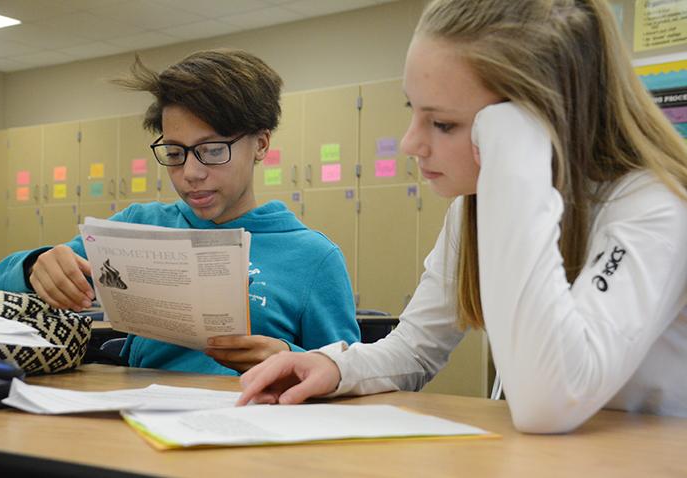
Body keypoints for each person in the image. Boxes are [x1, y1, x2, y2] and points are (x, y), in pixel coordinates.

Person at [237, 0, 687, 433]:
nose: (411, 143)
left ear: (532, 122)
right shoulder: (473, 207)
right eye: (413, 110)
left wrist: (512, 161)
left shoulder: (656, 205)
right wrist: (335, 366)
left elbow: (550, 401)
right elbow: (414, 349)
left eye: (444, 124)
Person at [0, 49, 360, 375]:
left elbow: (353, 377)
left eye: (212, 151)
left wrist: (290, 360)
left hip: (251, 435)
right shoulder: (138, 227)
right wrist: (34, 267)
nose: (191, 174)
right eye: (175, 153)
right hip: (140, 420)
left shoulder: (314, 258)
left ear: (260, 144)